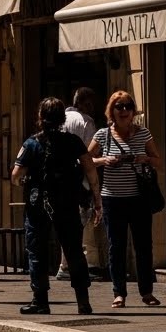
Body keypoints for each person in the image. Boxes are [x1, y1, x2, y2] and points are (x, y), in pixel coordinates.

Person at [11, 97, 102, 315]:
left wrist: (25, 182)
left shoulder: (31, 143)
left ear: (40, 117)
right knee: (74, 250)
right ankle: (83, 301)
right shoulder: (73, 142)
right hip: (67, 202)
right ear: (62, 118)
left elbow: (15, 175)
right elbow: (90, 170)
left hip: (38, 204)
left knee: (37, 251)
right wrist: (96, 198)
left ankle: (40, 301)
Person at [86, 90, 163, 308]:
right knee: (116, 247)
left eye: (128, 106)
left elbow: (158, 162)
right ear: (111, 111)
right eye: (119, 106)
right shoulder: (103, 135)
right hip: (112, 199)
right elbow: (87, 160)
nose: (124, 110)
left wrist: (144, 158)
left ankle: (147, 292)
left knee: (143, 246)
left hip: (139, 199)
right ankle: (119, 293)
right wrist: (105, 160)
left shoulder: (143, 134)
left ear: (133, 111)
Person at [60, 87, 105, 281]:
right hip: (80, 181)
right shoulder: (86, 122)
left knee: (66, 223)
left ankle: (65, 264)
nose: (93, 108)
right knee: (82, 224)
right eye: (90, 104)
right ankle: (79, 265)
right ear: (83, 103)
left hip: (60, 181)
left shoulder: (60, 119)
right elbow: (89, 156)